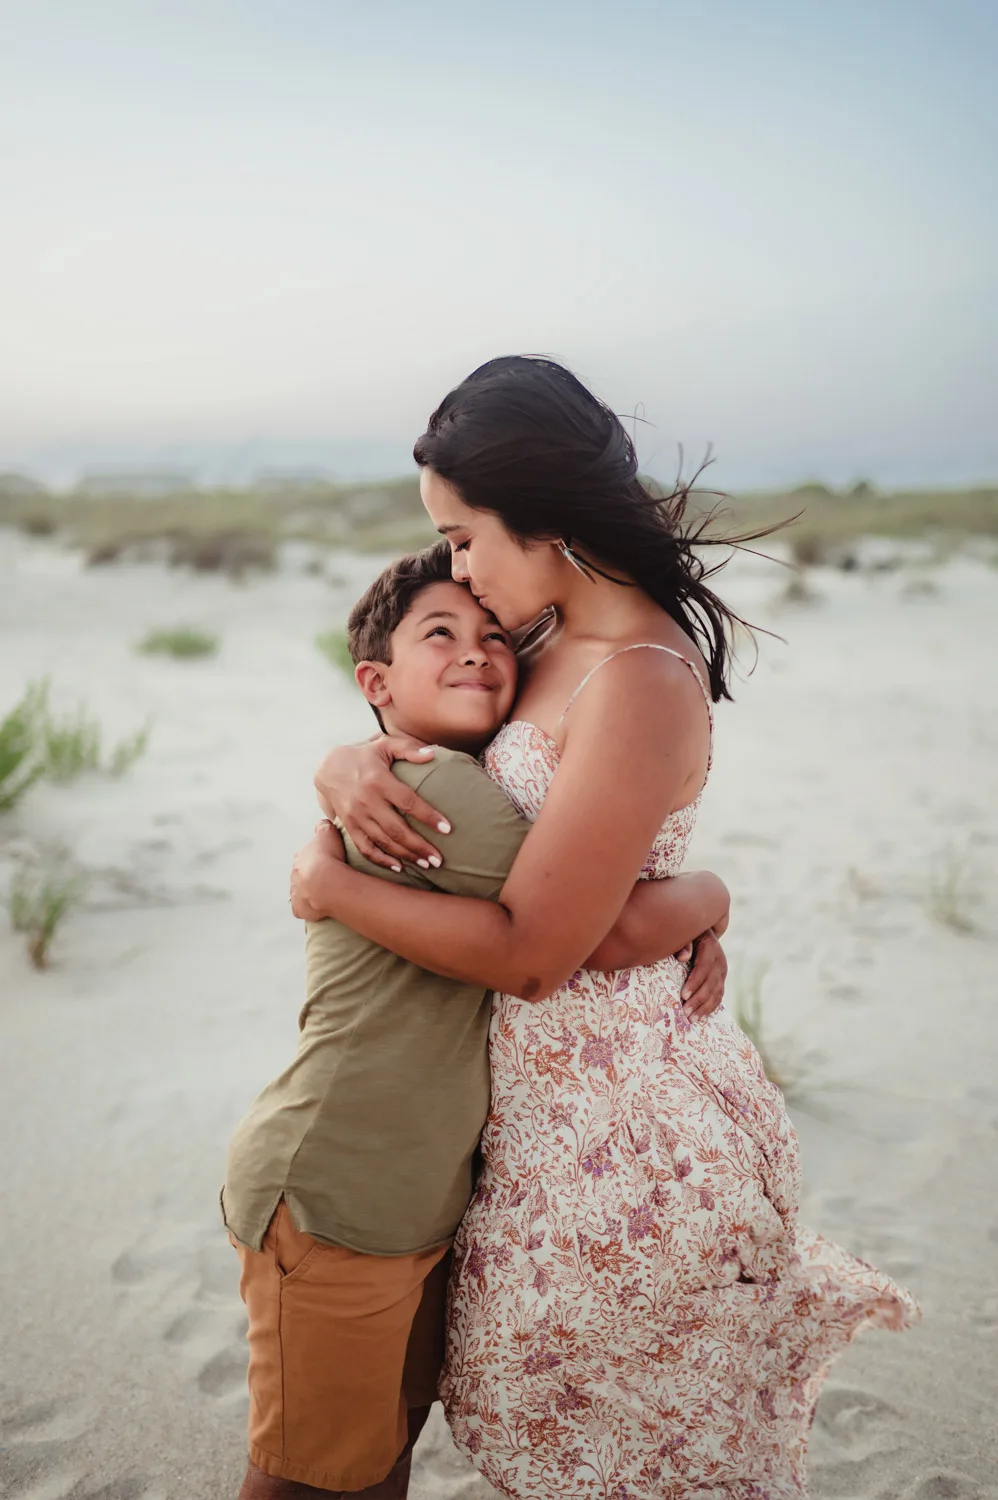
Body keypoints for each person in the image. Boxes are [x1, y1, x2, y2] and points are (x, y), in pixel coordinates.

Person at [291, 355, 919, 1498]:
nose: (460, 570)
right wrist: (343, 765)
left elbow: (538, 951)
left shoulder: (637, 677)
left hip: (617, 1133)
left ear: (542, 516)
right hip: (521, 1124)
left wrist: (328, 887)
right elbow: (439, 740)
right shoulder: (528, 641)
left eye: (467, 536)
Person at [224, 542, 731, 1500]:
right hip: (337, 1187)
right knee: (303, 1480)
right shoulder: (437, 796)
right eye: (441, 634)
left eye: (494, 636)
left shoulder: (448, 782)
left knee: (369, 1466)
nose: (475, 650)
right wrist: (710, 892)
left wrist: (341, 771)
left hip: (407, 1195)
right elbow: (603, 925)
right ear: (375, 681)